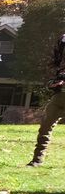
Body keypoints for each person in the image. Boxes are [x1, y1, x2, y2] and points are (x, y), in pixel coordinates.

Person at [28, 32, 65, 167]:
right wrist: (53, 83)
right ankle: (37, 160)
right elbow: (52, 70)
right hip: (59, 97)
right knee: (45, 128)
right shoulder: (62, 40)